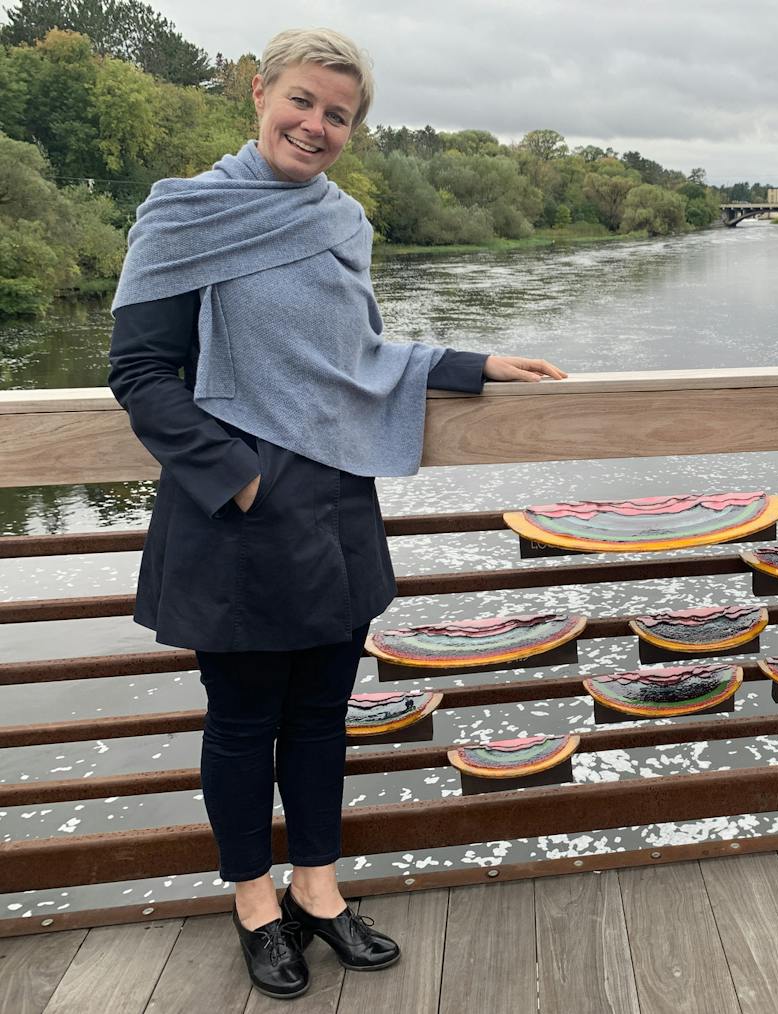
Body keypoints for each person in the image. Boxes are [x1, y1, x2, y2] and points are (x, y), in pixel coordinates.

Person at [108, 28, 565, 1000]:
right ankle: (254, 904)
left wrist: (465, 365)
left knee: (321, 715)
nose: (315, 126)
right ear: (259, 95)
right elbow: (140, 374)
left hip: (334, 502)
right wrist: (240, 480)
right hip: (238, 507)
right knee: (240, 722)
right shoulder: (185, 213)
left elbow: (355, 360)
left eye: (338, 115)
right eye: (302, 102)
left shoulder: (341, 221)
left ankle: (317, 889)